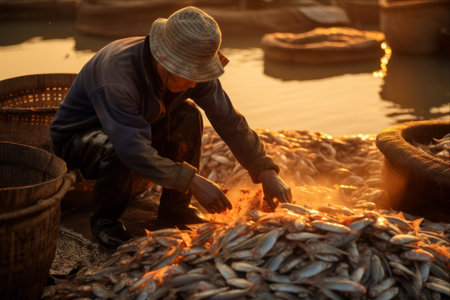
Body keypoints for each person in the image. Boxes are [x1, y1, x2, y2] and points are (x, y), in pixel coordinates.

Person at [50, 6, 292, 249]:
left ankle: (174, 209)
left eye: (198, 73)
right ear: (162, 59)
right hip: (81, 137)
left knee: (188, 114)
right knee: (116, 149)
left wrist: (265, 170)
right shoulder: (118, 77)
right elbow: (131, 148)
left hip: (141, 125)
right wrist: (193, 181)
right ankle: (105, 223)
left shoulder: (192, 67)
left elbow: (229, 119)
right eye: (187, 74)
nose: (194, 81)